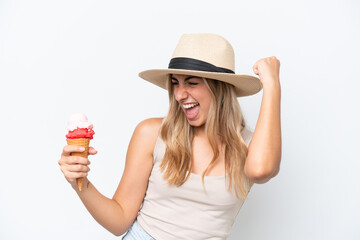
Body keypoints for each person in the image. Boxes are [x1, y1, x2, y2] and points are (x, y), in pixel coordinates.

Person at [58, 33, 281, 239]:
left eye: (192, 83)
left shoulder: (250, 147)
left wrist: (271, 85)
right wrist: (80, 181)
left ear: (220, 88)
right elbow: (119, 221)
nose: (179, 95)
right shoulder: (151, 133)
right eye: (175, 82)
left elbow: (261, 171)